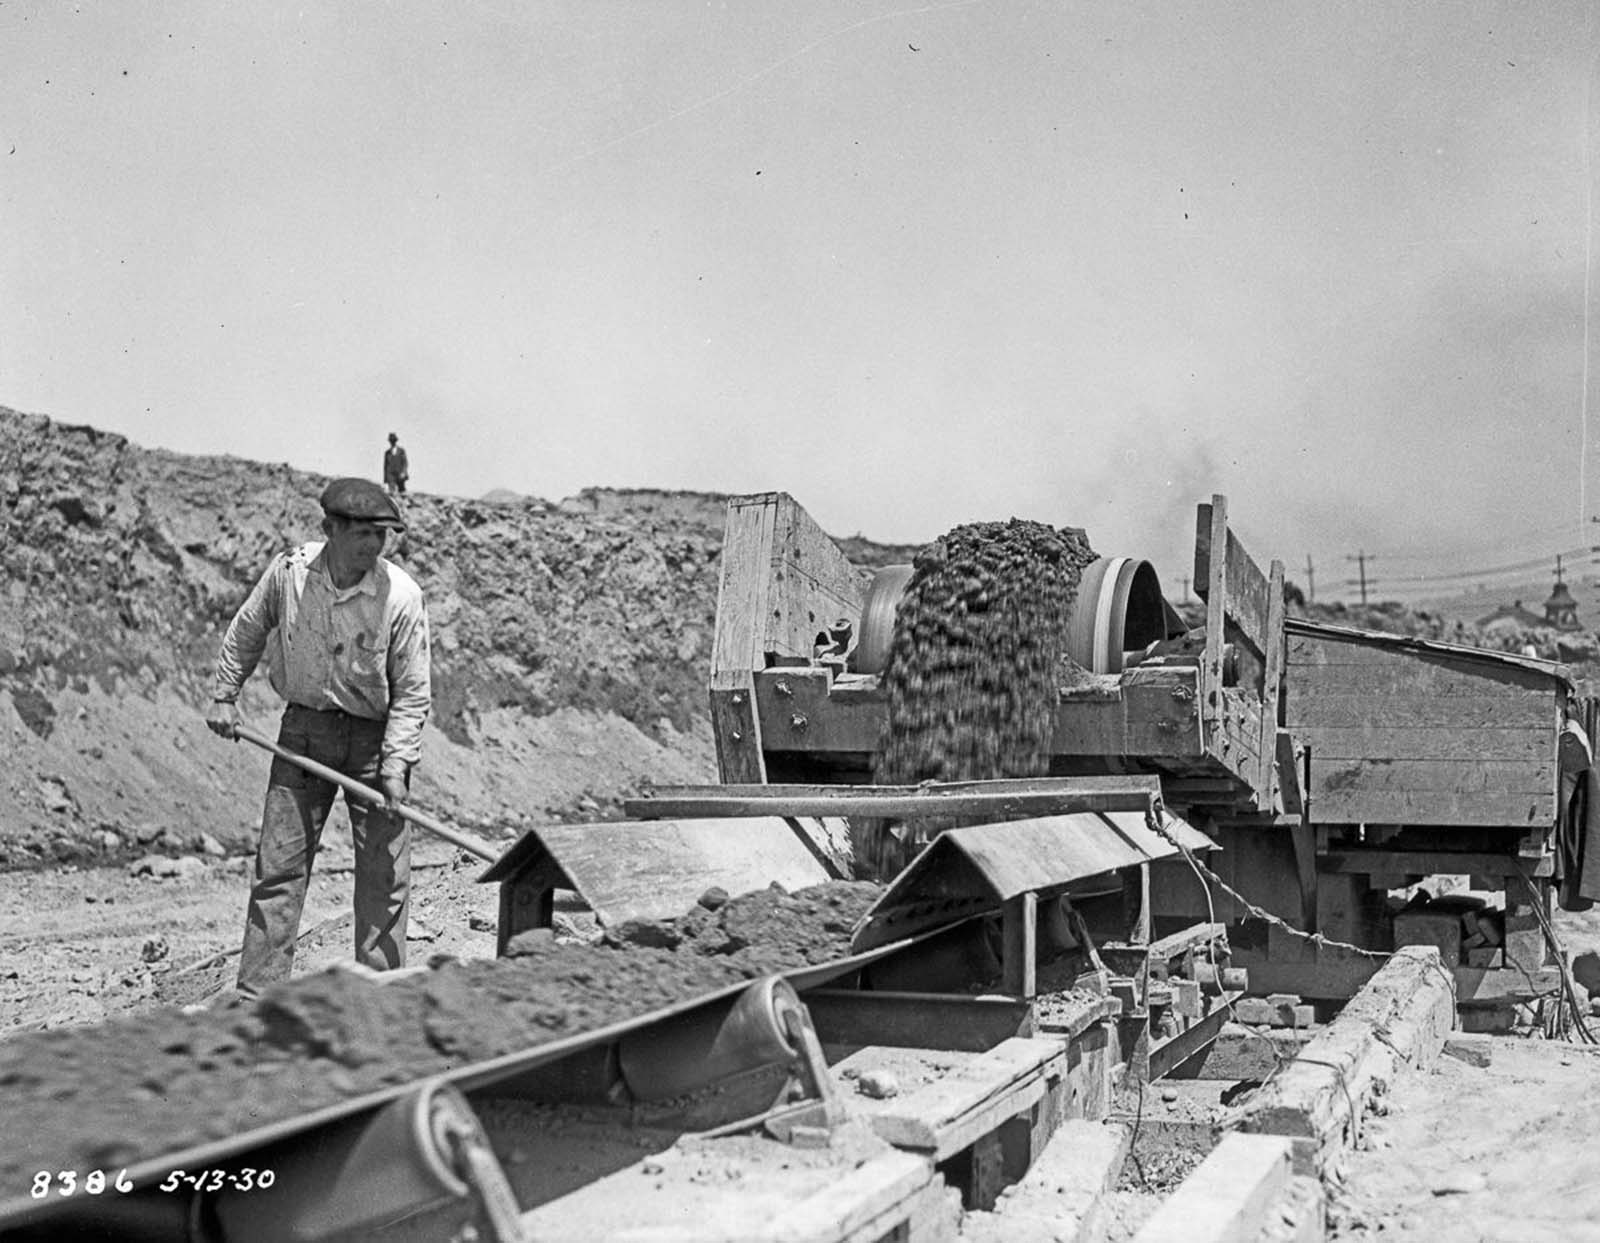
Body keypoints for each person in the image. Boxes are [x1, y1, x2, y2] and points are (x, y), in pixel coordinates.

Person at [206, 478, 431, 998]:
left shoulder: (400, 596)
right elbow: (247, 629)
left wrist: (396, 768)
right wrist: (224, 694)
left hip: (374, 744)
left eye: (383, 535)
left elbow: (413, 693)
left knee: (383, 877)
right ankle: (257, 1000)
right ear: (329, 529)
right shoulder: (289, 572)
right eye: (362, 534)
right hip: (303, 733)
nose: (374, 546)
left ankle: (379, 998)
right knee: (279, 868)